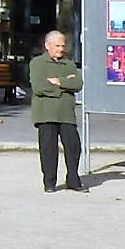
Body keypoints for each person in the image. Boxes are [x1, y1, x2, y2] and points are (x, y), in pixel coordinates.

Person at [29, 29, 86, 193]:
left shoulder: (68, 64)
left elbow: (78, 84)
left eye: (63, 46)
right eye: (57, 46)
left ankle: (74, 180)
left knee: (74, 146)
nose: (61, 49)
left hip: (66, 113)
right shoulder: (38, 63)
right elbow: (39, 87)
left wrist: (58, 82)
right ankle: (49, 182)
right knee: (48, 148)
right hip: (46, 112)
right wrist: (64, 86)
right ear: (48, 46)